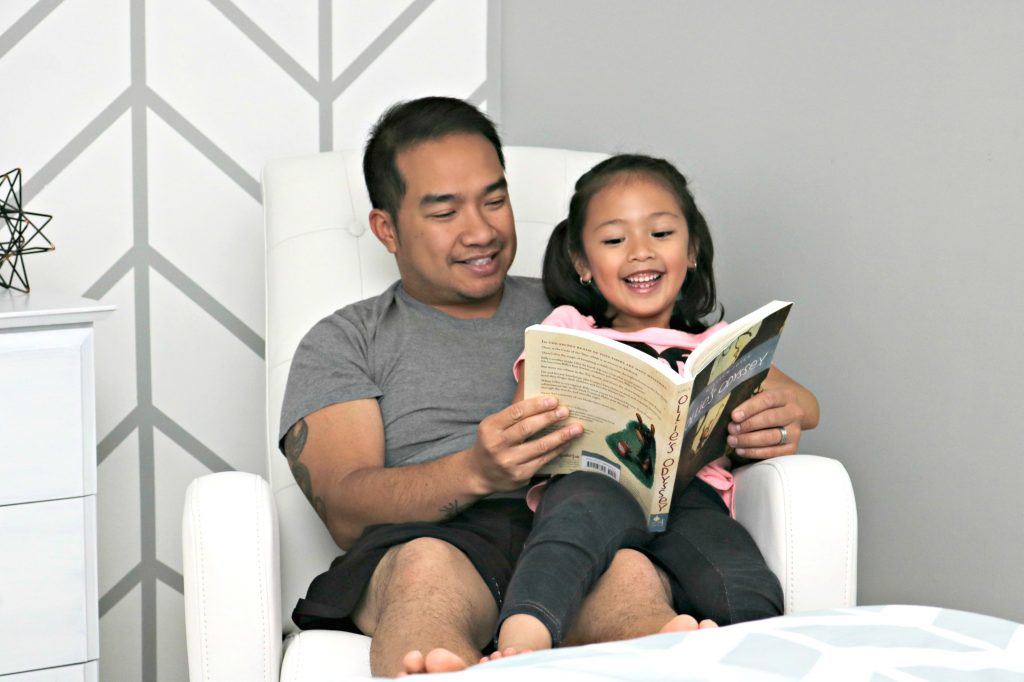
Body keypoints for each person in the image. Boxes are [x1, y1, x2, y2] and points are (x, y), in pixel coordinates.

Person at [279, 96, 816, 677]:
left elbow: (688, 374)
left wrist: (763, 420)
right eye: (444, 213)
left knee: (629, 576)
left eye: (495, 200)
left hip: (595, 528)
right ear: (386, 229)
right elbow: (344, 506)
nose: (481, 231)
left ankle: (680, 659)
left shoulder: (595, 302)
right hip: (440, 541)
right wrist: (475, 472)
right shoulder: (347, 339)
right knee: (424, 571)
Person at [490, 153, 821, 657]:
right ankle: (519, 646)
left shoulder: (716, 344)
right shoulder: (569, 327)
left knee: (740, 577)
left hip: (691, 494)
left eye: (661, 234)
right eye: (614, 239)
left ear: (692, 251)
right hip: (594, 481)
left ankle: (749, 661)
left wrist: (779, 414)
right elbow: (525, 416)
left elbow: (806, 404)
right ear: (582, 263)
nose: (640, 253)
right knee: (568, 533)